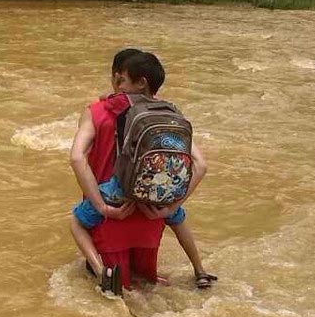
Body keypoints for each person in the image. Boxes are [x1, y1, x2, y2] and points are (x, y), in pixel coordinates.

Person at [70, 51, 214, 294]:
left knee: (76, 223)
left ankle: (100, 271)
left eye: (120, 78)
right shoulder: (169, 114)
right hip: (154, 209)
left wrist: (103, 208)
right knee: (147, 287)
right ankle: (200, 271)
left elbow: (76, 157)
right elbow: (200, 165)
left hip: (114, 209)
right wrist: (170, 205)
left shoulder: (97, 111)